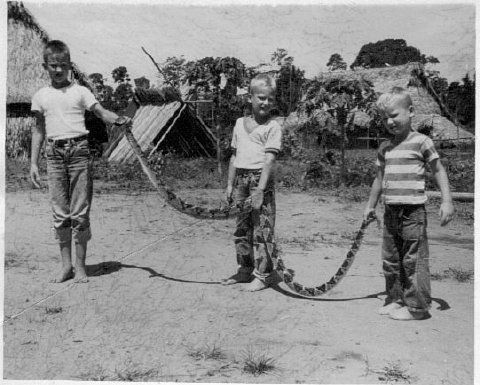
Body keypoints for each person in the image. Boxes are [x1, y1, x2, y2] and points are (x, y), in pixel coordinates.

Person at [30, 40, 131, 283]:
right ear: (45, 66)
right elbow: (38, 130)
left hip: (79, 153)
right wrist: (33, 163)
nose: (58, 70)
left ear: (69, 66)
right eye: (53, 65)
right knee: (59, 212)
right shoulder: (40, 96)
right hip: (53, 155)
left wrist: (118, 119)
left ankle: (80, 266)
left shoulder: (81, 92)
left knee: (80, 211)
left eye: (62, 65)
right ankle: (66, 266)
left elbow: (101, 112)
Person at [363, 87, 454, 320]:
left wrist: (447, 200)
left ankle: (418, 307)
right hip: (391, 210)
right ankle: (395, 299)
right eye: (385, 118)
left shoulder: (422, 141)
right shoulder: (385, 147)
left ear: (410, 111)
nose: (389, 121)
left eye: (394, 115)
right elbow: (379, 179)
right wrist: (370, 206)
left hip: (413, 212)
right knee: (391, 259)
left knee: (414, 259)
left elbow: (438, 170)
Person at [222, 73, 283, 292]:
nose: (266, 102)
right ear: (250, 98)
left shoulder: (273, 127)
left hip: (259, 180)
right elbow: (233, 156)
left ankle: (262, 274)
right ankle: (244, 269)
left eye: (270, 99)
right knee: (241, 227)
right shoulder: (239, 124)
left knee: (261, 229)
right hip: (240, 179)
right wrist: (230, 185)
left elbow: (269, 160)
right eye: (261, 97)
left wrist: (260, 189)